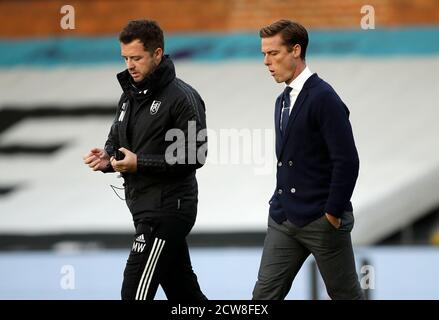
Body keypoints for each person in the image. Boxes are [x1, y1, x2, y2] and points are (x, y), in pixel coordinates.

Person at [83, 19, 207, 300]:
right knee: (185, 296)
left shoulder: (182, 97)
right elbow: (117, 141)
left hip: (168, 211)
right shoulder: (128, 96)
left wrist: (140, 163)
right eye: (126, 58)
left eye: (136, 58)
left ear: (157, 54)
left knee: (134, 293)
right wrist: (106, 157)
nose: (130, 64)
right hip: (143, 208)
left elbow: (194, 154)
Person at [253, 20, 364, 300]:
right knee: (262, 298)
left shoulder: (324, 97)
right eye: (264, 54)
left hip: (321, 220)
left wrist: (333, 213)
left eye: (273, 53)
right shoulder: (282, 100)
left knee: (346, 296)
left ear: (296, 50)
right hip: (283, 217)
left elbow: (347, 160)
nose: (266, 61)